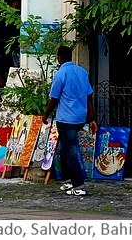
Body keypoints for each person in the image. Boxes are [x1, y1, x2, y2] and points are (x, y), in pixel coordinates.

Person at [43, 45, 97, 196]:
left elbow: (54, 99)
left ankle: (79, 185)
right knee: (65, 148)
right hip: (80, 117)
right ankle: (68, 181)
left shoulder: (61, 74)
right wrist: (92, 118)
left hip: (66, 119)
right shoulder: (82, 72)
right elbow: (89, 96)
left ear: (59, 57)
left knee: (71, 149)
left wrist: (45, 114)